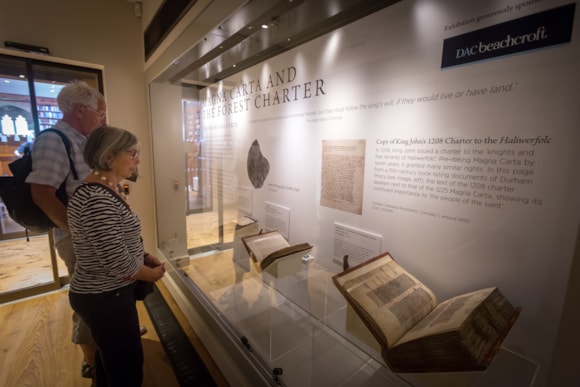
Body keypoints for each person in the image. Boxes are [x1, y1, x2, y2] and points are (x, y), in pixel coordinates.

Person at [67, 125, 165, 386]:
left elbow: (115, 241)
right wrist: (151, 274)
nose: (138, 161)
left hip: (108, 295)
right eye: (132, 153)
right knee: (126, 369)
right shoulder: (95, 198)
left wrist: (142, 255)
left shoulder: (106, 190)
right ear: (109, 156)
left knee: (110, 360)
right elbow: (117, 261)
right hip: (104, 297)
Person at [26, 80, 106, 378]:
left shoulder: (81, 139)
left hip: (94, 235)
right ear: (80, 109)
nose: (102, 118)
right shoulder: (54, 139)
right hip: (79, 239)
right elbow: (41, 193)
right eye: (100, 112)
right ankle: (91, 358)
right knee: (88, 296)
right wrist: (78, 232)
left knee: (101, 293)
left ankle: (105, 340)